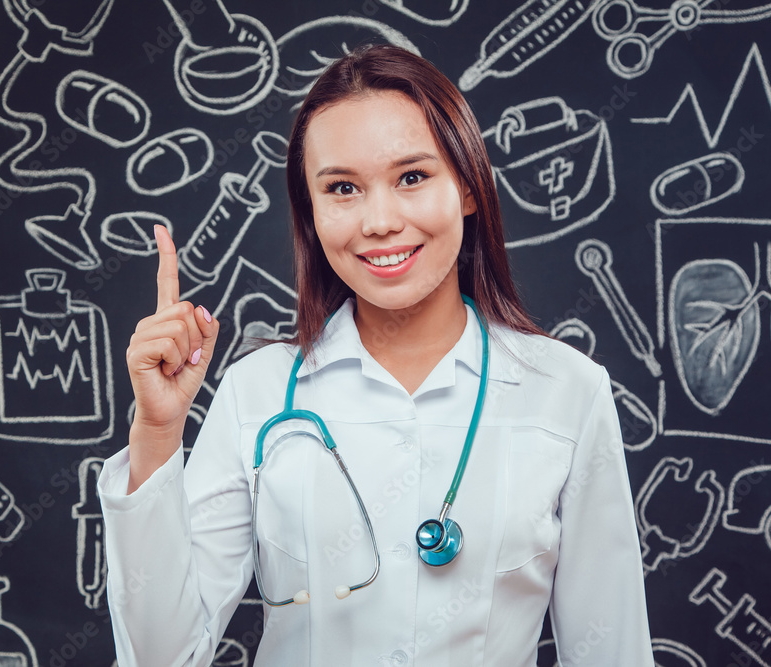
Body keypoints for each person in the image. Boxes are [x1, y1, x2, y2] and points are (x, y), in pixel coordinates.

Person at [98, 45, 654, 666]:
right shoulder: (256, 393)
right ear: (311, 211)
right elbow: (163, 658)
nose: (380, 221)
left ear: (468, 188)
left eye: (412, 177)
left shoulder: (567, 391)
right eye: (342, 188)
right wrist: (156, 430)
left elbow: (612, 651)